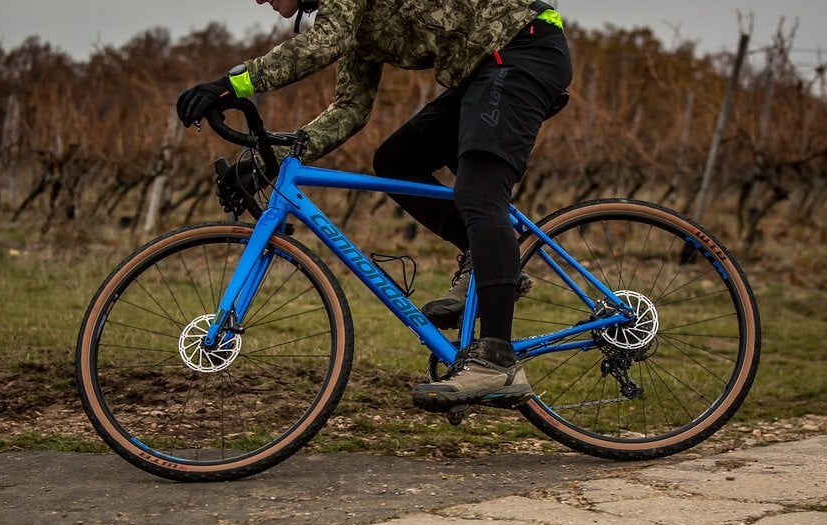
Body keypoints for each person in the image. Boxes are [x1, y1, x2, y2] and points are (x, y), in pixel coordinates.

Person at [176, 0, 572, 412]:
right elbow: (350, 108)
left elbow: (321, 45)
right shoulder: (353, 22)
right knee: (396, 162)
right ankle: (482, 257)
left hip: (522, 48)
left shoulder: (341, 12)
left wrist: (231, 85)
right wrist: (263, 165)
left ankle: (496, 362)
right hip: (486, 67)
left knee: (479, 193)